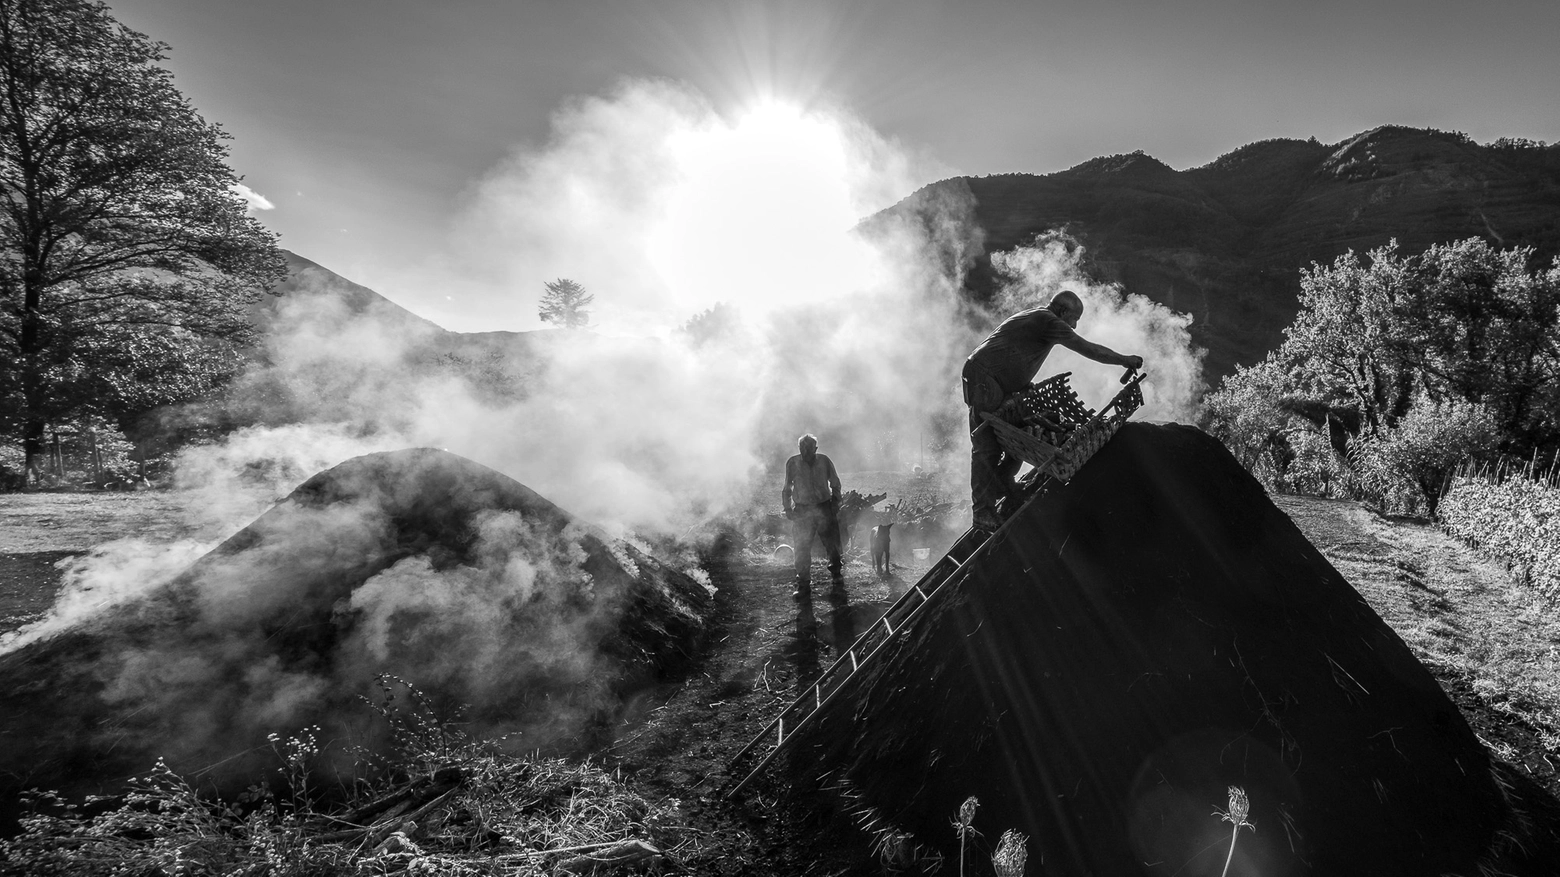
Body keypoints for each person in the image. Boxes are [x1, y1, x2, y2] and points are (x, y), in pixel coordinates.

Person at [962, 290, 1143, 531]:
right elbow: (1088, 349)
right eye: (1075, 318)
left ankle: (1003, 482)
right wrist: (1124, 360)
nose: (1075, 325)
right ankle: (982, 512)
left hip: (996, 381)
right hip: (985, 379)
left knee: (1019, 428)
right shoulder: (1048, 321)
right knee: (986, 445)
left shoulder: (1038, 317)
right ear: (1063, 311)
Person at [781, 433, 843, 599]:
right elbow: (787, 487)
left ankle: (837, 576)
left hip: (823, 507)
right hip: (802, 510)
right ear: (799, 448)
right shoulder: (792, 463)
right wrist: (787, 509)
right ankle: (803, 584)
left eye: (809, 448)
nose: (806, 451)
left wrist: (836, 502)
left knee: (831, 543)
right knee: (801, 546)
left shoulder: (824, 461)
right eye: (803, 448)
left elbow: (835, 482)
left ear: (816, 448)